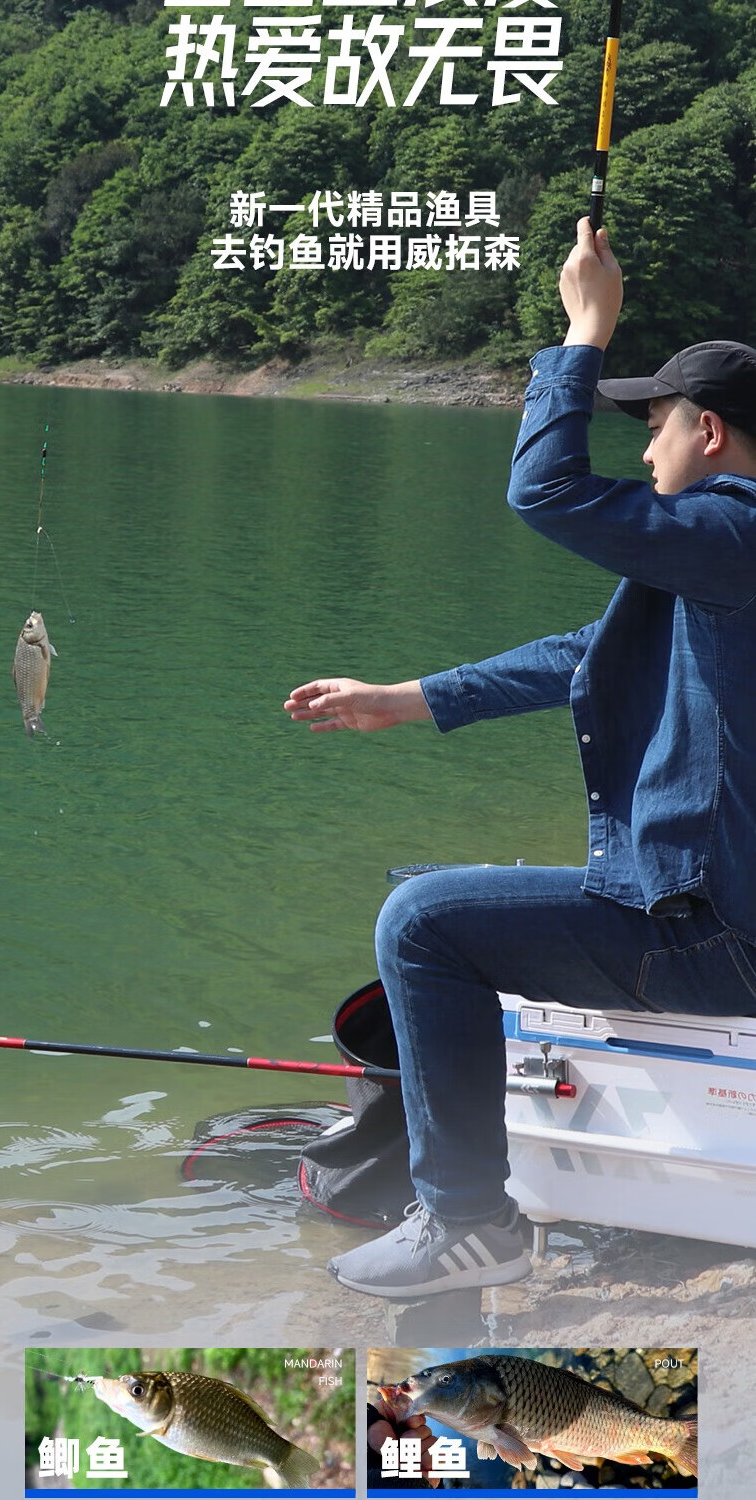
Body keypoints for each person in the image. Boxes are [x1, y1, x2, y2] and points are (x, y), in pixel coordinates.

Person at [284, 218, 756, 1299]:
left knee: (425, 920)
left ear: (709, 431)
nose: (646, 452)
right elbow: (589, 653)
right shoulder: (720, 561)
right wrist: (406, 700)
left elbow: (545, 490)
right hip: (722, 916)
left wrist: (584, 329)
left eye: (654, 429)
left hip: (719, 939)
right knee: (439, 895)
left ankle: (468, 1223)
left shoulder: (734, 536)